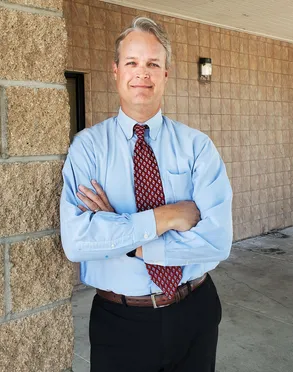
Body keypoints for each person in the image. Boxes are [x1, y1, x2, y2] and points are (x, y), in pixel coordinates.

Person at [60, 16, 233, 372]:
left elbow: (217, 241)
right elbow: (78, 242)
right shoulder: (88, 148)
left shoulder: (197, 147)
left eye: (153, 63)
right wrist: (166, 217)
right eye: (132, 63)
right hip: (120, 322)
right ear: (115, 71)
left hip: (195, 312)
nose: (143, 73)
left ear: (166, 74)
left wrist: (122, 236)